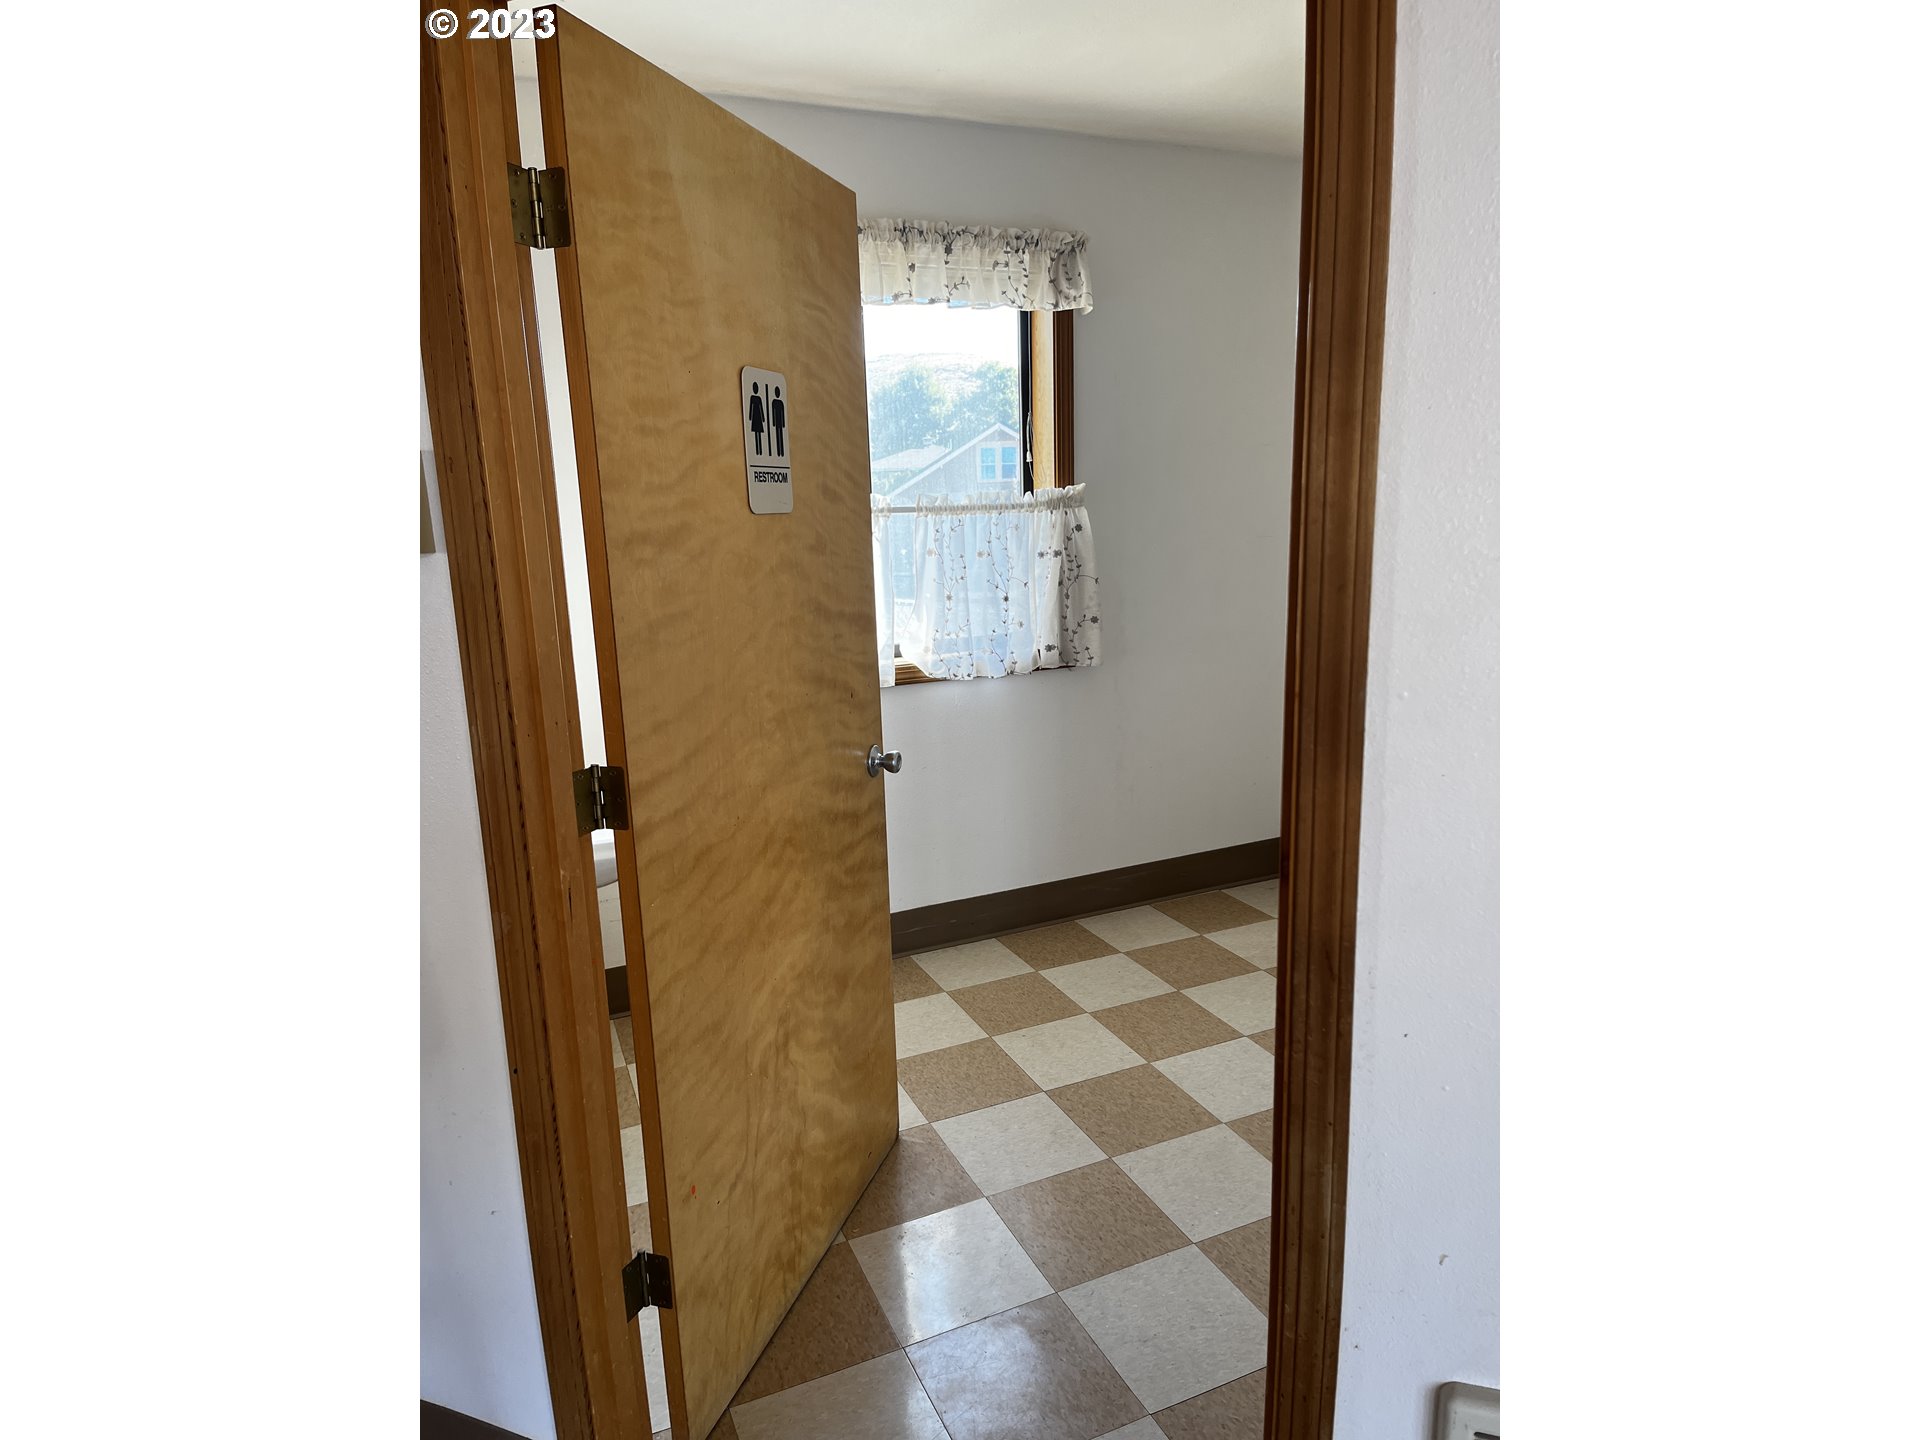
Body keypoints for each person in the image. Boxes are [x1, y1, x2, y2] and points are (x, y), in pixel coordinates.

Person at [747, 382, 766, 456]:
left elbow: (761, 408)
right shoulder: (753, 398)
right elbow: (751, 408)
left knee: (759, 434)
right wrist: (750, 417)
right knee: (756, 434)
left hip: (758, 418)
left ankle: (760, 451)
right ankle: (758, 451)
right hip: (755, 417)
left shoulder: (758, 398)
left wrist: (763, 418)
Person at [770, 385, 787, 458]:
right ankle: (779, 452)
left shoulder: (780, 403)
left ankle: (781, 452)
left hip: (779, 422)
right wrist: (773, 422)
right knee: (778, 436)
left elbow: (782, 413)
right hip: (777, 423)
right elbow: (773, 413)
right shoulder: (774, 402)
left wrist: (783, 424)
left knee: (780, 436)